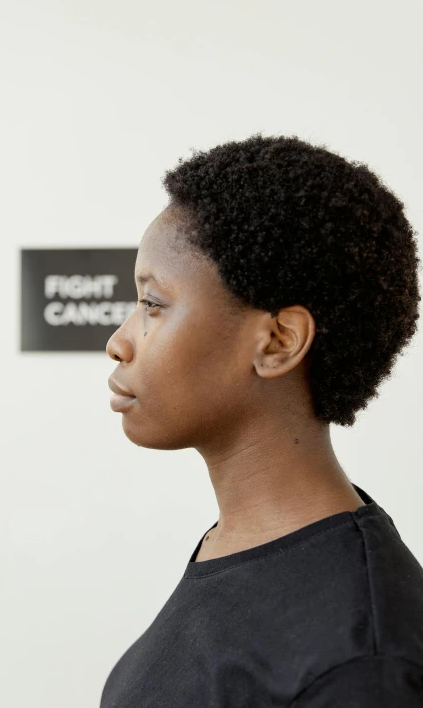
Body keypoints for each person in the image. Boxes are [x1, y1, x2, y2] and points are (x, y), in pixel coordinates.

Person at [101, 134, 423, 706]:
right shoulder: (240, 543)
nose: (119, 342)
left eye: (153, 305)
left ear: (277, 342)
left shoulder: (360, 664)